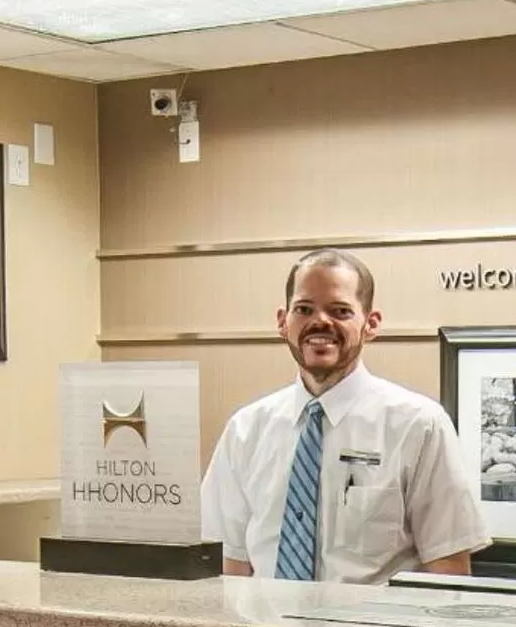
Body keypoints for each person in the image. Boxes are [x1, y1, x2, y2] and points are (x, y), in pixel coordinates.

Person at [202, 247, 489, 584]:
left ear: (371, 324)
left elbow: (449, 568)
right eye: (304, 309)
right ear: (283, 321)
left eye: (340, 310)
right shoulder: (246, 429)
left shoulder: (419, 425)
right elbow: (233, 563)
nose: (320, 322)